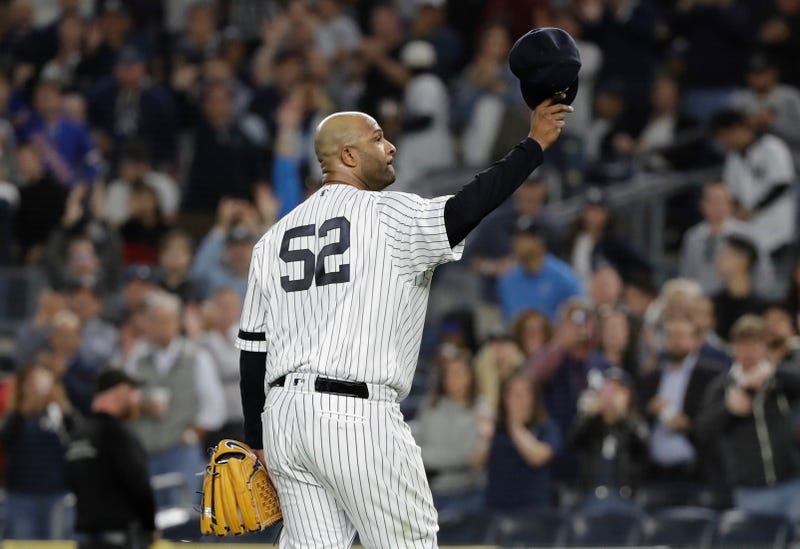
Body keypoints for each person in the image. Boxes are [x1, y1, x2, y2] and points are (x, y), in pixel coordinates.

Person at [235, 90, 570, 545]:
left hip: (284, 422)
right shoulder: (388, 214)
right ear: (348, 155)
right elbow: (470, 205)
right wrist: (532, 145)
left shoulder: (270, 241)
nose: (390, 147)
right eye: (377, 138)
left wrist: (257, 440)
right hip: (354, 415)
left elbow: (254, 351)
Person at [696, 315, 800, 523]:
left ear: (764, 347)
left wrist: (774, 372)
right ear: (734, 348)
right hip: (750, 490)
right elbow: (702, 430)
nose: (749, 352)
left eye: (754, 345)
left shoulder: (781, 380)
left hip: (792, 485)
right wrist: (728, 409)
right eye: (743, 345)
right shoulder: (722, 386)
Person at [66, 369, 157, 549]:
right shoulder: (119, 434)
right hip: (119, 538)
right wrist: (149, 525)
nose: (136, 400)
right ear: (118, 392)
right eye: (132, 392)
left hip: (85, 540)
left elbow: (71, 480)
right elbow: (138, 483)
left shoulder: (79, 435)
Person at [0, 364, 74, 540]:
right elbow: (4, 440)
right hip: (21, 495)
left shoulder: (60, 414)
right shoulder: (16, 417)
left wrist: (61, 407)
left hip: (57, 494)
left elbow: (77, 437)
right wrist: (24, 406)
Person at [712, 108, 796, 256]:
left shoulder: (772, 147)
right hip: (747, 230)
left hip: (776, 227)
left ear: (735, 129)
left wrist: (754, 208)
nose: (723, 142)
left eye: (723, 136)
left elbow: (782, 184)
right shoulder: (733, 158)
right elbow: (731, 191)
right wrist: (738, 208)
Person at [416, 348, 487, 517]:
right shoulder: (430, 405)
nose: (453, 379)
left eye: (459, 373)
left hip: (466, 494)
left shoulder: (481, 409)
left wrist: (426, 457)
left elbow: (468, 455)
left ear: (471, 376)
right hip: (428, 493)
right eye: (449, 373)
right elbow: (416, 445)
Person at [680, 180, 777, 298]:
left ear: (731, 205)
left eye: (720, 201)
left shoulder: (747, 235)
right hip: (701, 301)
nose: (715, 206)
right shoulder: (693, 236)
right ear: (702, 204)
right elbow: (687, 274)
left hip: (738, 299)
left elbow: (763, 272)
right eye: (710, 200)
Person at [485, 372, 561, 512]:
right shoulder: (496, 429)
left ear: (534, 399)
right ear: (504, 399)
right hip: (495, 509)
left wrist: (516, 426)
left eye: (524, 393)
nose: (518, 398)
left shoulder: (547, 427)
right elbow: (476, 462)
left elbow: (538, 457)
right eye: (513, 393)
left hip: (534, 509)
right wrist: (483, 438)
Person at [497, 217, 584, 323]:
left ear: (539, 241)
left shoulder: (564, 278)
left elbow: (580, 317)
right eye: (515, 239)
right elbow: (507, 321)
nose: (516, 244)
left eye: (523, 239)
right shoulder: (507, 281)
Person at [712, 235, 767, 341]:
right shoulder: (713, 303)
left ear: (744, 261)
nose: (719, 260)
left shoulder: (761, 306)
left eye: (726, 256)